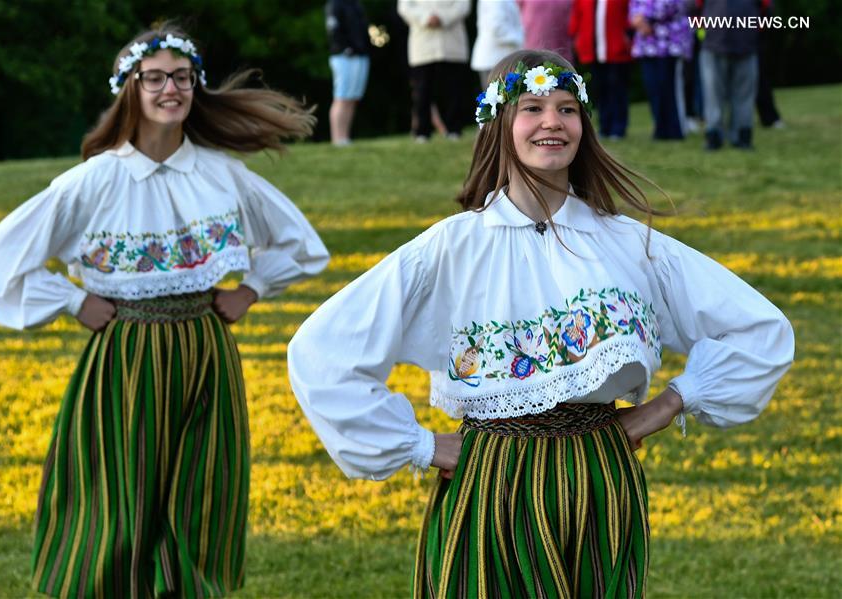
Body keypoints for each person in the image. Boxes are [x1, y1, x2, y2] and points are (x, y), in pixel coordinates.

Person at [288, 49, 794, 596]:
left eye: (568, 108)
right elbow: (322, 353)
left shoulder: (627, 243)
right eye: (532, 107)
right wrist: (420, 446)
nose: (552, 121)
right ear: (498, 124)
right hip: (492, 478)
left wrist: (666, 406)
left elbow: (760, 331)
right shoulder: (450, 247)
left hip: (598, 476)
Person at [0, 24, 329, 597]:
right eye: (157, 78)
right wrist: (72, 300)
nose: (172, 89)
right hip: (125, 354)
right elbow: (0, 257)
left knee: (199, 493)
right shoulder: (94, 181)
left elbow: (301, 245)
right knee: (118, 495)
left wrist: (252, 289)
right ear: (130, 89)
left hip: (204, 352)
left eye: (183, 78)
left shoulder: (221, 175)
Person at [397, 0, 471, 141]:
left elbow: (463, 5)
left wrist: (443, 18)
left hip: (452, 43)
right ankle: (422, 132)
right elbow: (405, 7)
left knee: (453, 89)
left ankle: (454, 130)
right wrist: (426, 18)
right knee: (422, 91)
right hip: (423, 44)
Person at [698, 0, 762, 150]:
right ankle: (714, 135)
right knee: (714, 94)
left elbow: (766, 8)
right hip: (715, 44)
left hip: (746, 45)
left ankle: (742, 136)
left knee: (743, 94)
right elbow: (693, 7)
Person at [570, 0, 633, 139]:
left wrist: (627, 38)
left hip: (617, 51)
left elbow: (629, 16)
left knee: (617, 89)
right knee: (600, 89)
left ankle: (618, 127)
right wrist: (576, 37)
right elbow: (576, 18)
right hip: (593, 52)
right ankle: (604, 126)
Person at [629, 0, 693, 139]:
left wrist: (644, 17)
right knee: (654, 89)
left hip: (671, 46)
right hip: (647, 46)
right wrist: (638, 21)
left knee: (670, 89)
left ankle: (676, 129)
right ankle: (660, 128)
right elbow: (633, 7)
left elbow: (670, 6)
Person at [326, 0, 371, 146]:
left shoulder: (356, 4)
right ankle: (337, 138)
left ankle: (344, 137)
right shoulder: (335, 4)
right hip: (343, 57)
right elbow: (333, 29)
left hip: (360, 55)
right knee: (341, 97)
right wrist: (345, 48)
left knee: (352, 98)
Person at [470, 0, 524, 87]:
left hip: (498, 60)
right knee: (497, 99)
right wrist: (521, 38)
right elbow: (496, 29)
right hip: (494, 60)